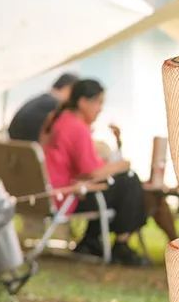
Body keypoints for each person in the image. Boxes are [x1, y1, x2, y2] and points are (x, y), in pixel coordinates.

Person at [42, 79, 147, 266]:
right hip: (66, 197)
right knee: (129, 181)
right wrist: (123, 165)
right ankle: (121, 243)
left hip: (52, 192)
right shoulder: (76, 127)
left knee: (116, 185)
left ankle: (91, 239)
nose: (100, 109)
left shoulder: (58, 119)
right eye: (98, 102)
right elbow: (92, 172)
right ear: (83, 102)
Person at [8, 73, 78, 143]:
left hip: (14, 146)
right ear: (68, 88)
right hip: (32, 147)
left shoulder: (38, 100)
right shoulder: (56, 106)